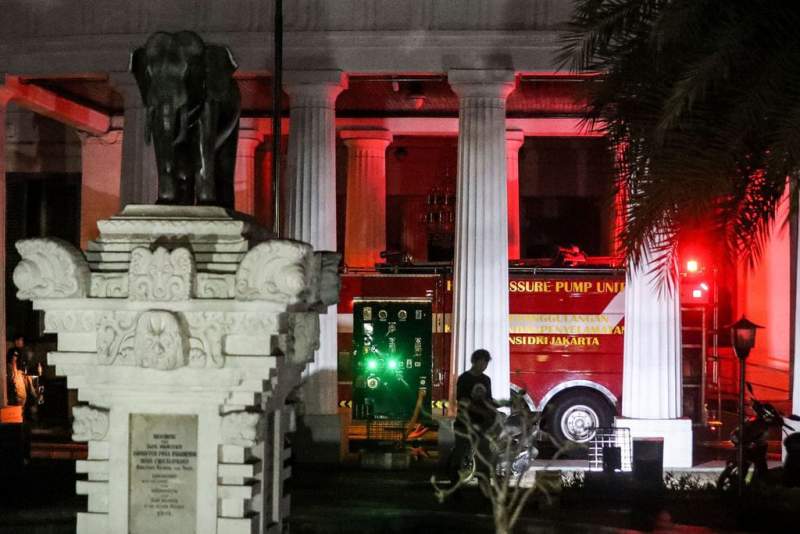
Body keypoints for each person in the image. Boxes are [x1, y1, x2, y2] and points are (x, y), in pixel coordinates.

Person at [447, 348, 498, 486]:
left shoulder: (486, 379)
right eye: (482, 362)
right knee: (460, 454)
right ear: (475, 362)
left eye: (486, 363)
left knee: (483, 456)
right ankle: (454, 487)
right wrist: (483, 412)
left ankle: (484, 489)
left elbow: (488, 400)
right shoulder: (464, 379)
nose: (485, 366)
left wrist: (496, 407)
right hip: (464, 423)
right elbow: (463, 401)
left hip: (482, 425)